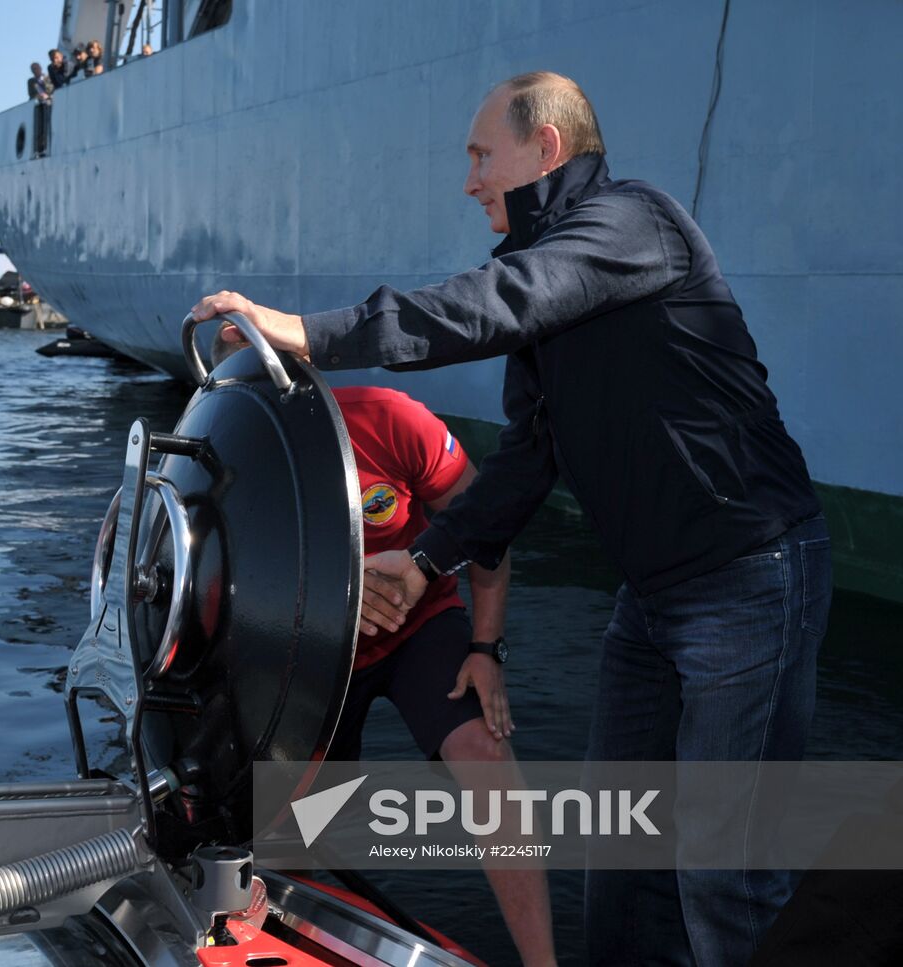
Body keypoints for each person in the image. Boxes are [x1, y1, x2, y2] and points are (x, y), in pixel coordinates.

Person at [192, 71, 831, 966]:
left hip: (748, 576)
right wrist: (423, 561)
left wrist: (305, 329)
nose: (470, 180)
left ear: (547, 149)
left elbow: (493, 305)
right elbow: (530, 458)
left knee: (723, 872)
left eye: (481, 155)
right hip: (652, 600)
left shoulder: (630, 224)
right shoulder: (549, 281)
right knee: (622, 855)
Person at [213, 331, 557, 966]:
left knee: (487, 757)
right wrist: (334, 588)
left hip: (419, 627)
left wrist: (486, 648)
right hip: (312, 657)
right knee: (289, 831)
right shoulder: (225, 466)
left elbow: (488, 530)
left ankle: (544, 962)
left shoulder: (390, 418)